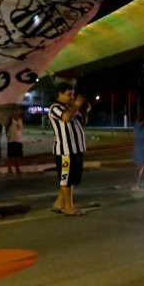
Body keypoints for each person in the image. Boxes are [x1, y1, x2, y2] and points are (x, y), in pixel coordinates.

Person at [49, 82, 88, 216]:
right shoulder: (55, 108)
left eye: (73, 94)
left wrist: (82, 110)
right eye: (68, 94)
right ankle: (68, 208)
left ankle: (58, 204)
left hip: (75, 149)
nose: (72, 97)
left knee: (71, 179)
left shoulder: (69, 108)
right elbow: (65, 118)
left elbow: (80, 123)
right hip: (65, 151)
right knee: (66, 180)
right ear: (59, 94)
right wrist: (76, 106)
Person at [6, 107, 25, 175]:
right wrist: (8, 137)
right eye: (15, 111)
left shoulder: (20, 120)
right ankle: (9, 169)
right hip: (12, 140)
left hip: (19, 140)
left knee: (18, 156)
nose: (17, 112)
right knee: (11, 156)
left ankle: (17, 169)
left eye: (18, 111)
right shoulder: (11, 119)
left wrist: (21, 140)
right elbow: (6, 128)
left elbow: (21, 130)